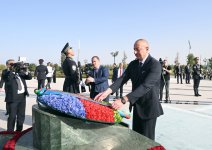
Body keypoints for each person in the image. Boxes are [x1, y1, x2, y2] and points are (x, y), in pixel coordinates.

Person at [94, 39, 163, 140]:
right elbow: (122, 79)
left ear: (147, 49)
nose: (135, 52)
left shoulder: (155, 65)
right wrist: (107, 92)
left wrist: (123, 100)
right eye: (134, 49)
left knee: (147, 141)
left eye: (137, 49)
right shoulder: (133, 64)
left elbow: (145, 86)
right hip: (137, 107)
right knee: (136, 138)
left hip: (149, 108)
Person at [2, 61, 32, 131]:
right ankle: (10, 133)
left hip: (22, 97)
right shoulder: (6, 73)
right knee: (12, 116)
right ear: (8, 65)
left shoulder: (20, 73)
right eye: (12, 64)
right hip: (13, 98)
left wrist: (26, 70)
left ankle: (18, 132)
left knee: (21, 116)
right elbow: (7, 78)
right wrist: (12, 70)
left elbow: (29, 77)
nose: (14, 65)